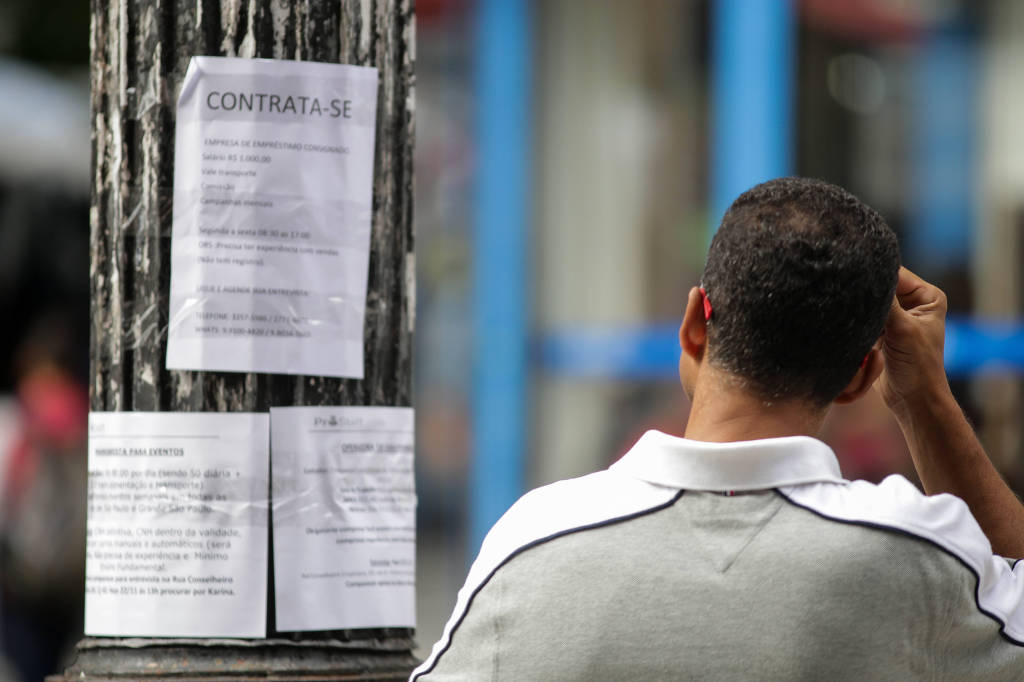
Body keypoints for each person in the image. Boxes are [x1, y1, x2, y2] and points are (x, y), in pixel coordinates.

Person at [411, 177, 1024, 680]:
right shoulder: (917, 555)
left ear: (693, 327)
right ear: (861, 376)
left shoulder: (534, 545)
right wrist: (925, 398)